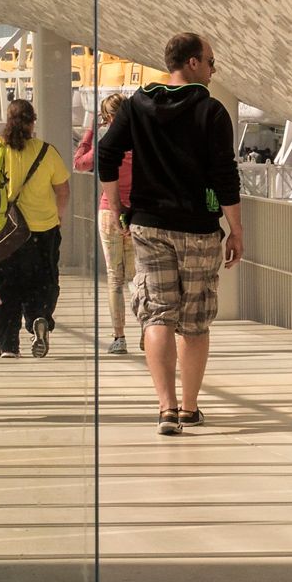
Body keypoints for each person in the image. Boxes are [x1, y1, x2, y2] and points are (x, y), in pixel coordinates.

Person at [96, 32, 244, 437]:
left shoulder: (137, 104)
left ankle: (166, 408)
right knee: (194, 320)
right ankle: (190, 409)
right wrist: (236, 229)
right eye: (211, 62)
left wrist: (117, 203)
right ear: (193, 63)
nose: (214, 70)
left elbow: (106, 153)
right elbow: (224, 175)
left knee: (157, 313)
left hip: (148, 224)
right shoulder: (211, 111)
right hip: (197, 228)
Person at [0, 100, 71, 358]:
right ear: (33, 121)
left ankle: (8, 343)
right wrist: (58, 216)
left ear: (7, 121)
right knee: (42, 280)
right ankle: (39, 318)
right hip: (43, 229)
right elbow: (63, 190)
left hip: (3, 230)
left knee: (4, 284)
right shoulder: (47, 152)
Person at [74, 93, 136, 354]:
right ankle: (148, 329)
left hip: (109, 211)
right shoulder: (141, 141)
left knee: (115, 278)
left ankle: (119, 337)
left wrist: (90, 131)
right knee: (138, 277)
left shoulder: (105, 142)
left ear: (107, 117)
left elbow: (79, 163)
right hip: (138, 214)